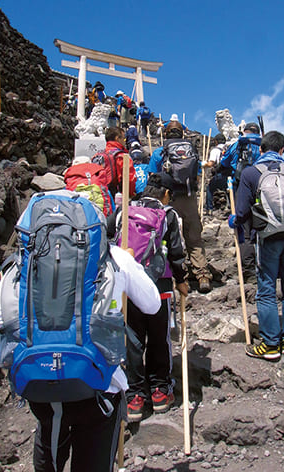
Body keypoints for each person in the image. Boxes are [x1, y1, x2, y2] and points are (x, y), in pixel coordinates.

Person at [0, 245, 161, 472]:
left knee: (50, 441)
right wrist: (128, 268)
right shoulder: (114, 256)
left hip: (42, 384)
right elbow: (153, 304)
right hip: (99, 388)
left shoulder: (27, 255)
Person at [229, 130, 284, 361]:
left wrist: (234, 221)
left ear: (261, 149)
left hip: (266, 238)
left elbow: (242, 211)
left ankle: (271, 344)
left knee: (266, 292)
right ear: (282, 150)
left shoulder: (252, 173)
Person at [124, 173, 189, 422]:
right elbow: (176, 250)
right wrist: (181, 280)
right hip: (159, 284)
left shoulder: (124, 211)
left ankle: (135, 397)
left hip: (129, 285)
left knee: (133, 339)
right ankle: (160, 391)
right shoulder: (168, 214)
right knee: (160, 337)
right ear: (165, 193)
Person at [148, 120, 212, 293]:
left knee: (167, 235)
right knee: (193, 234)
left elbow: (153, 176)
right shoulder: (191, 151)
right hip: (189, 197)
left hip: (167, 197)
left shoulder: (159, 152)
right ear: (182, 134)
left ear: (166, 134)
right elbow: (198, 175)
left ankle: (176, 276)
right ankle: (202, 274)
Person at [220, 122, 262, 276]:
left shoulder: (238, 143)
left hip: (242, 187)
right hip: (263, 187)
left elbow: (225, 161)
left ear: (244, 131)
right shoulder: (264, 144)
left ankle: (248, 270)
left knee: (244, 226)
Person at [92, 126, 137, 200]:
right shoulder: (122, 156)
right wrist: (130, 194)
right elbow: (129, 178)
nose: (124, 141)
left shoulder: (100, 154)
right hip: (116, 196)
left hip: (99, 193)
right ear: (117, 138)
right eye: (123, 138)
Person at [202, 133, 227, 216]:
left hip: (220, 175)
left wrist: (204, 164)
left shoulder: (215, 150)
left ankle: (209, 209)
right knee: (230, 190)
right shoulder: (229, 148)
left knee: (209, 188)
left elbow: (211, 163)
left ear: (216, 141)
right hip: (231, 174)